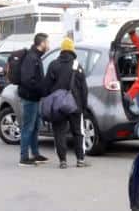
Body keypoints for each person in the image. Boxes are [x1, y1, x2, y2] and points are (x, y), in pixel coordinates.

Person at [45, 38, 89, 169]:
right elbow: (84, 89)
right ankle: (80, 159)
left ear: (62, 49)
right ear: (72, 50)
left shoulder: (53, 65)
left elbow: (47, 86)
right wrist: (83, 107)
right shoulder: (77, 65)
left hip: (58, 106)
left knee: (59, 132)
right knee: (78, 132)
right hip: (75, 104)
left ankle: (62, 160)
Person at [18, 33, 51, 166]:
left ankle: (35, 154)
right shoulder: (31, 58)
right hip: (30, 97)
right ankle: (24, 158)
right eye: (47, 42)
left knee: (36, 127)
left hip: (35, 97)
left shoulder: (36, 56)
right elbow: (27, 80)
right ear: (41, 43)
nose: (49, 44)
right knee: (28, 128)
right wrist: (40, 89)